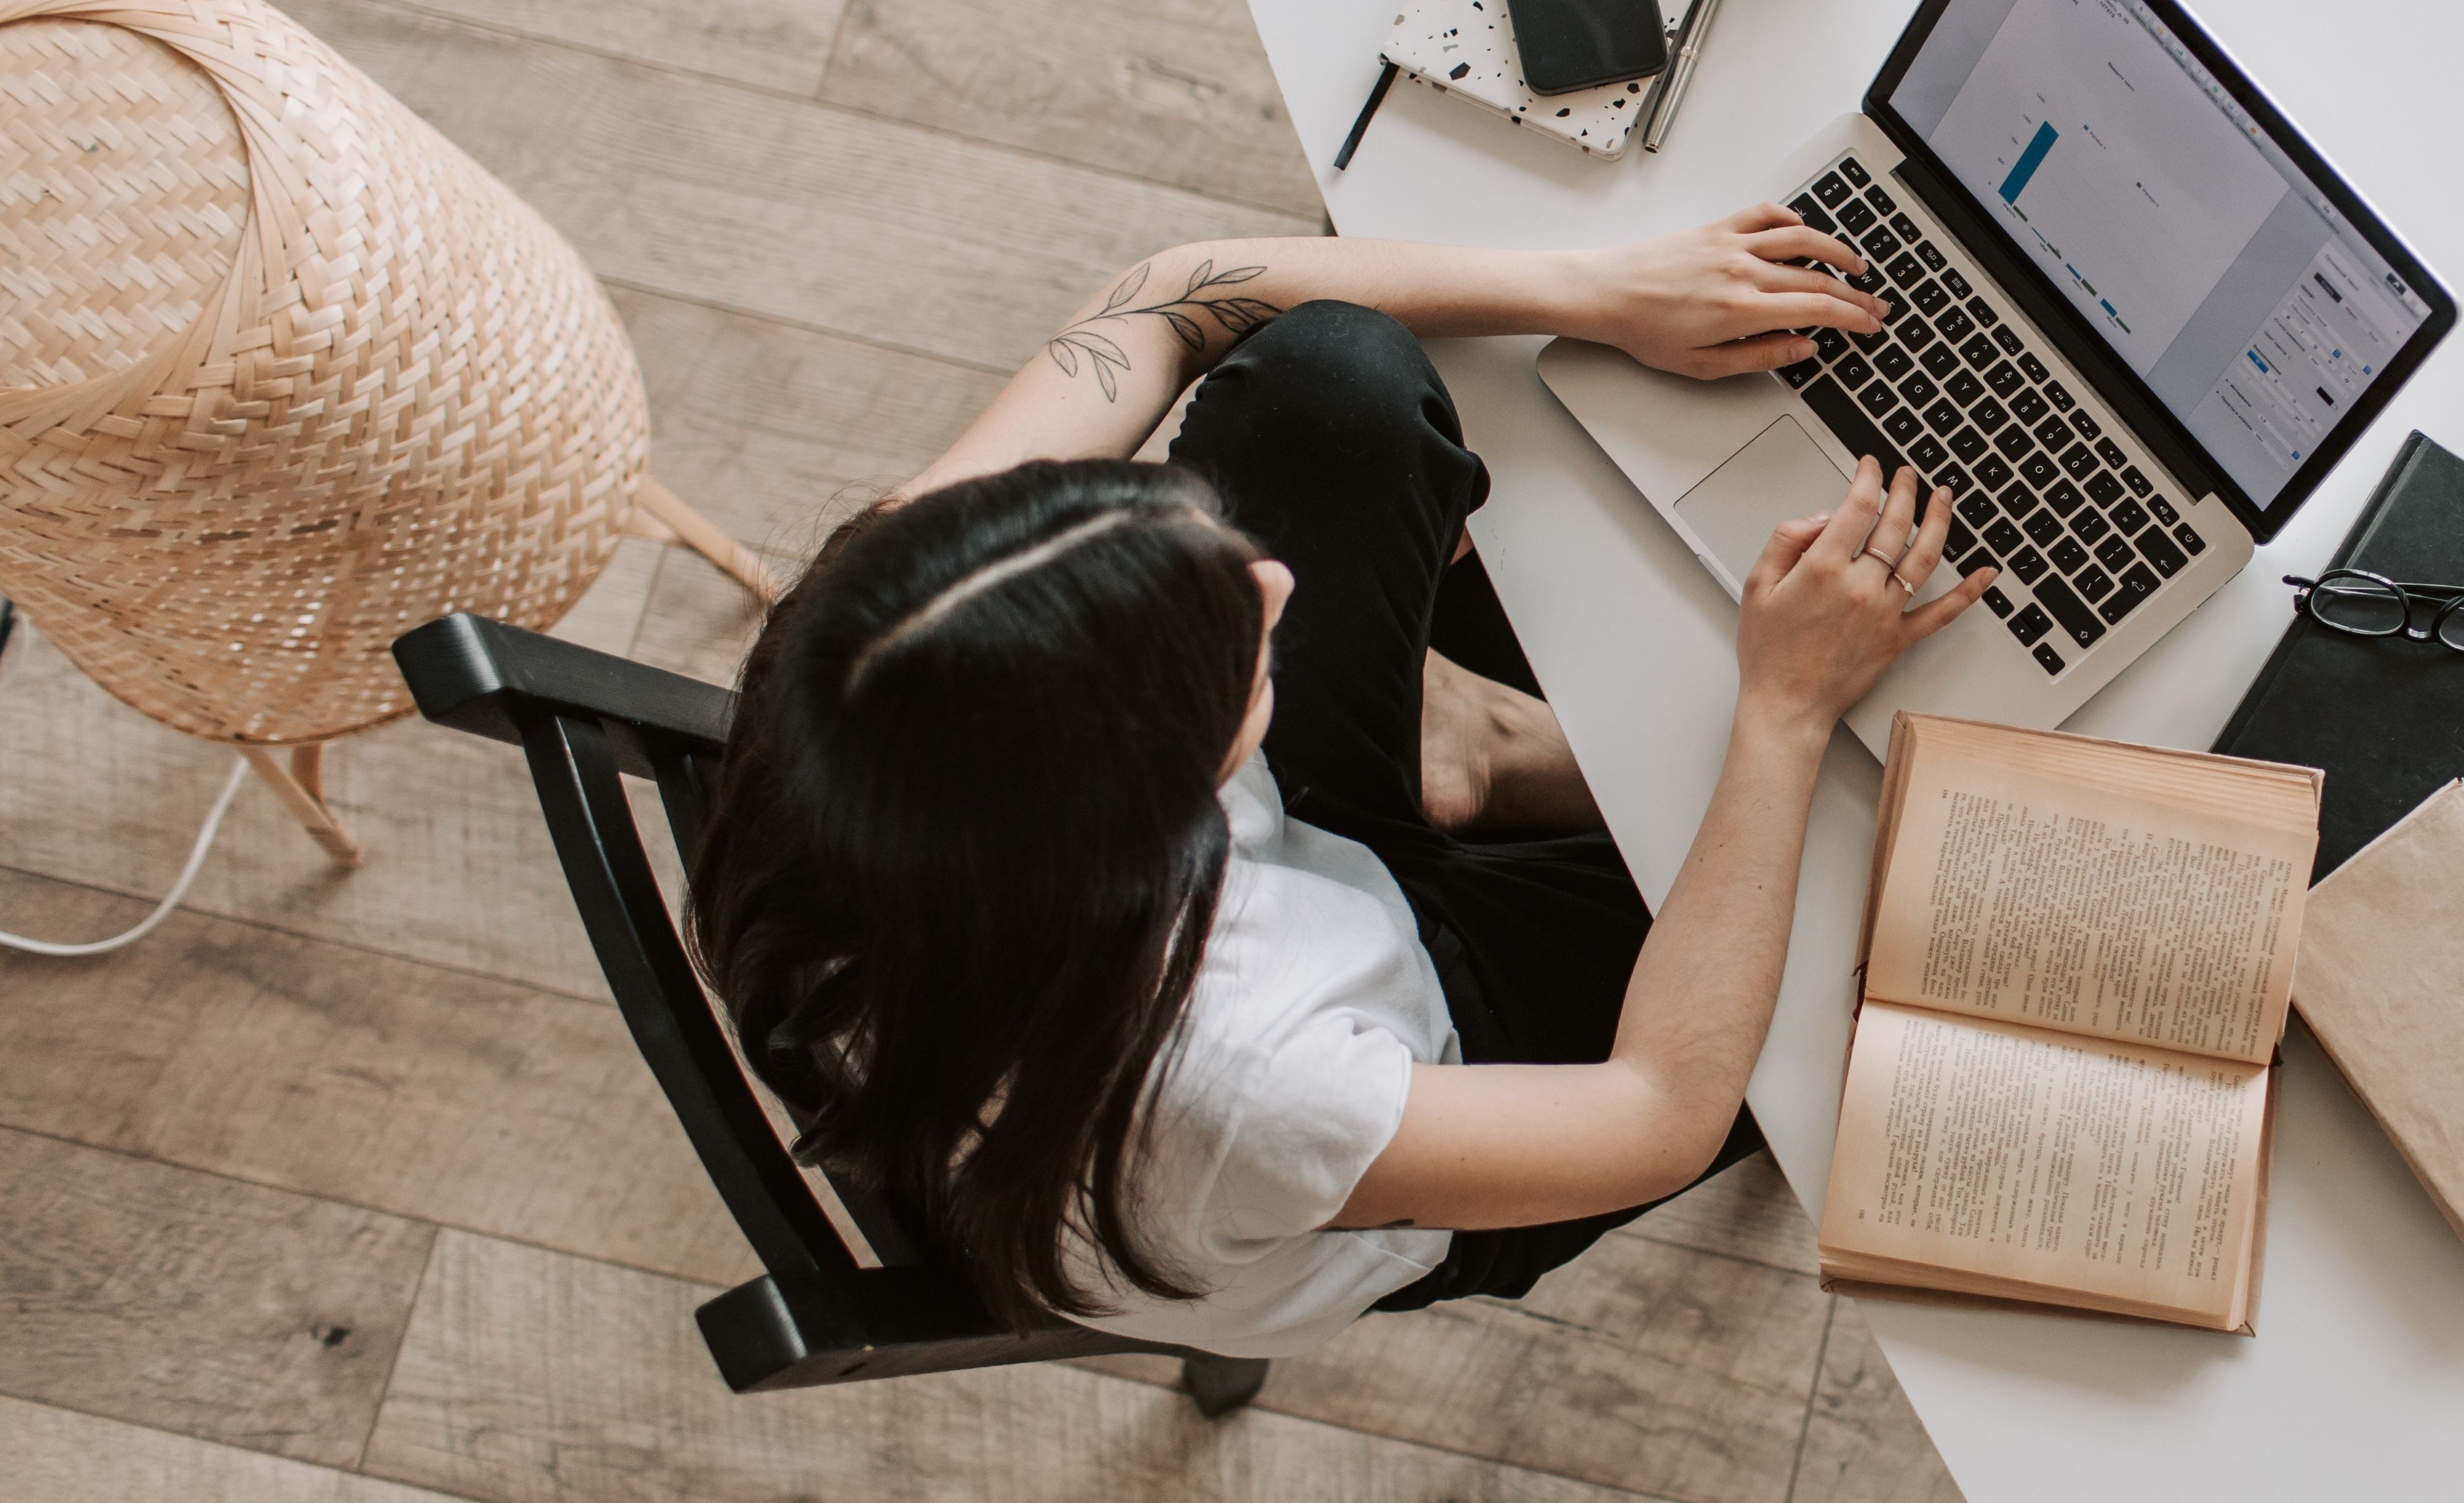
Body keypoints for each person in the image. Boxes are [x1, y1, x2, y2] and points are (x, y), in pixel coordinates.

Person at [684, 206, 1996, 1358]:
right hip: (1425, 1078)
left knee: (1326, 375)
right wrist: (1779, 713)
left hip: (1218, 921)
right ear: (1160, 816)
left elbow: (1165, 301)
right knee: (1878, 925)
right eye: (1230, 659)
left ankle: (1465, 753)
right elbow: (1656, 1112)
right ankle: (1480, 756)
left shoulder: (887, 636)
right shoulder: (1246, 1088)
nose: (1272, 583)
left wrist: (1593, 288)